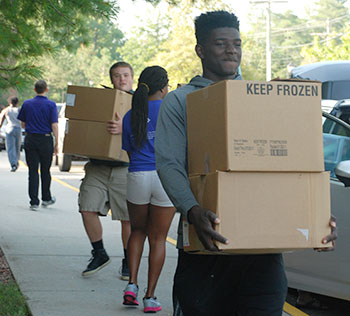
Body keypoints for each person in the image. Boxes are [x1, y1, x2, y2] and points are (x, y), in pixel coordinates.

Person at [155, 11, 337, 316]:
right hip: (206, 246)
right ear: (200, 49)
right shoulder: (181, 101)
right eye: (221, 43)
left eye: (236, 43)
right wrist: (192, 209)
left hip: (262, 256)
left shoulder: (264, 98)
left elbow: (293, 165)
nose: (231, 50)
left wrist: (314, 214)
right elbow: (169, 164)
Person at [121, 66, 175, 313]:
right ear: (164, 87)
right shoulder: (172, 111)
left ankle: (131, 285)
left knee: (137, 231)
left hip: (138, 176)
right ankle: (150, 297)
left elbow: (129, 151)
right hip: (165, 178)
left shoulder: (131, 114)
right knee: (158, 239)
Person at [79, 61, 133, 280]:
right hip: (97, 167)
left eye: (126, 75)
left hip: (125, 169)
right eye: (117, 76)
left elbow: (150, 130)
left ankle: (129, 260)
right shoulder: (101, 101)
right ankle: (99, 253)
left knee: (127, 219)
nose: (122, 79)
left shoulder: (141, 103)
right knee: (86, 208)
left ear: (132, 77)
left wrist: (124, 127)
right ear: (111, 79)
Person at [17, 80, 58, 210]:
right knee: (45, 170)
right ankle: (46, 198)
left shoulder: (27, 104)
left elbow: (22, 123)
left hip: (31, 139)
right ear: (46, 90)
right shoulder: (51, 105)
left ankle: (34, 201)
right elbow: (54, 125)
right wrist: (56, 142)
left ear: (34, 90)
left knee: (33, 171)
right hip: (46, 140)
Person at [0, 97, 22, 172]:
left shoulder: (6, 110)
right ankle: (16, 162)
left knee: (10, 148)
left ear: (9, 102)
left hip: (9, 129)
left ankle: (13, 164)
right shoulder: (20, 110)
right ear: (17, 102)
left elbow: (1, 121)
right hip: (18, 129)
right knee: (17, 147)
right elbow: (24, 121)